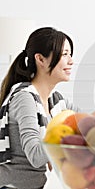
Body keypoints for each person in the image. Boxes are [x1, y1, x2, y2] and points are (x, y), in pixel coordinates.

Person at [0, 27, 79, 188]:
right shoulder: (24, 97)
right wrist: (70, 136)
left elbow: (88, 123)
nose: (71, 61)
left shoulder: (57, 101)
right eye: (65, 54)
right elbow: (36, 156)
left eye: (70, 54)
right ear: (40, 59)